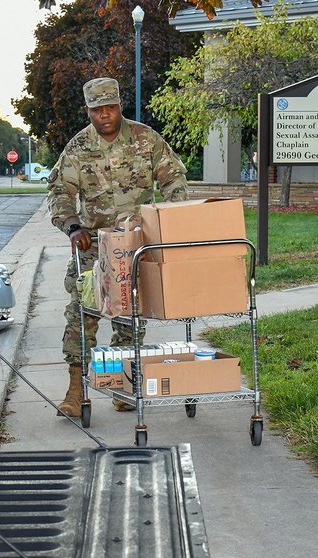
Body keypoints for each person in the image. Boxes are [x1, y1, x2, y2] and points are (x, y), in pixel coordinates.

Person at [46, 77, 189, 417]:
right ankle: (76, 391)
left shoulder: (145, 138)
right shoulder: (78, 147)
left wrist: (172, 218)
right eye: (97, 110)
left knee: (129, 317)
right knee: (82, 316)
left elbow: (173, 179)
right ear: (88, 111)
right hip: (93, 246)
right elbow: (59, 192)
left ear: (119, 104)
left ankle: (122, 385)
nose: (105, 115)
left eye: (110, 107)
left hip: (136, 242)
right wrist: (71, 226)